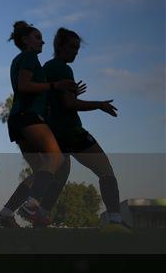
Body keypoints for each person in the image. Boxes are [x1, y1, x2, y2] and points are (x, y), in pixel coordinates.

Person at [0, 21, 82, 228]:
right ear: (25, 40)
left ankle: (5, 213)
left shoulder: (18, 60)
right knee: (57, 159)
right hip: (29, 117)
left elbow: (33, 88)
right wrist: (55, 85)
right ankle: (31, 205)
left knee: (42, 171)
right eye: (37, 37)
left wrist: (63, 92)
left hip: (17, 119)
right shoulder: (29, 57)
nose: (42, 41)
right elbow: (25, 86)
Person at [39, 28, 124, 226]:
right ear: (60, 46)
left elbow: (56, 102)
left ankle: (40, 215)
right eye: (72, 47)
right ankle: (115, 220)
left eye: (77, 48)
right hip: (71, 132)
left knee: (60, 176)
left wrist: (73, 94)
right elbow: (69, 105)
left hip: (54, 133)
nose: (76, 52)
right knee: (106, 170)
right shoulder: (62, 68)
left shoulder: (47, 67)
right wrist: (99, 105)